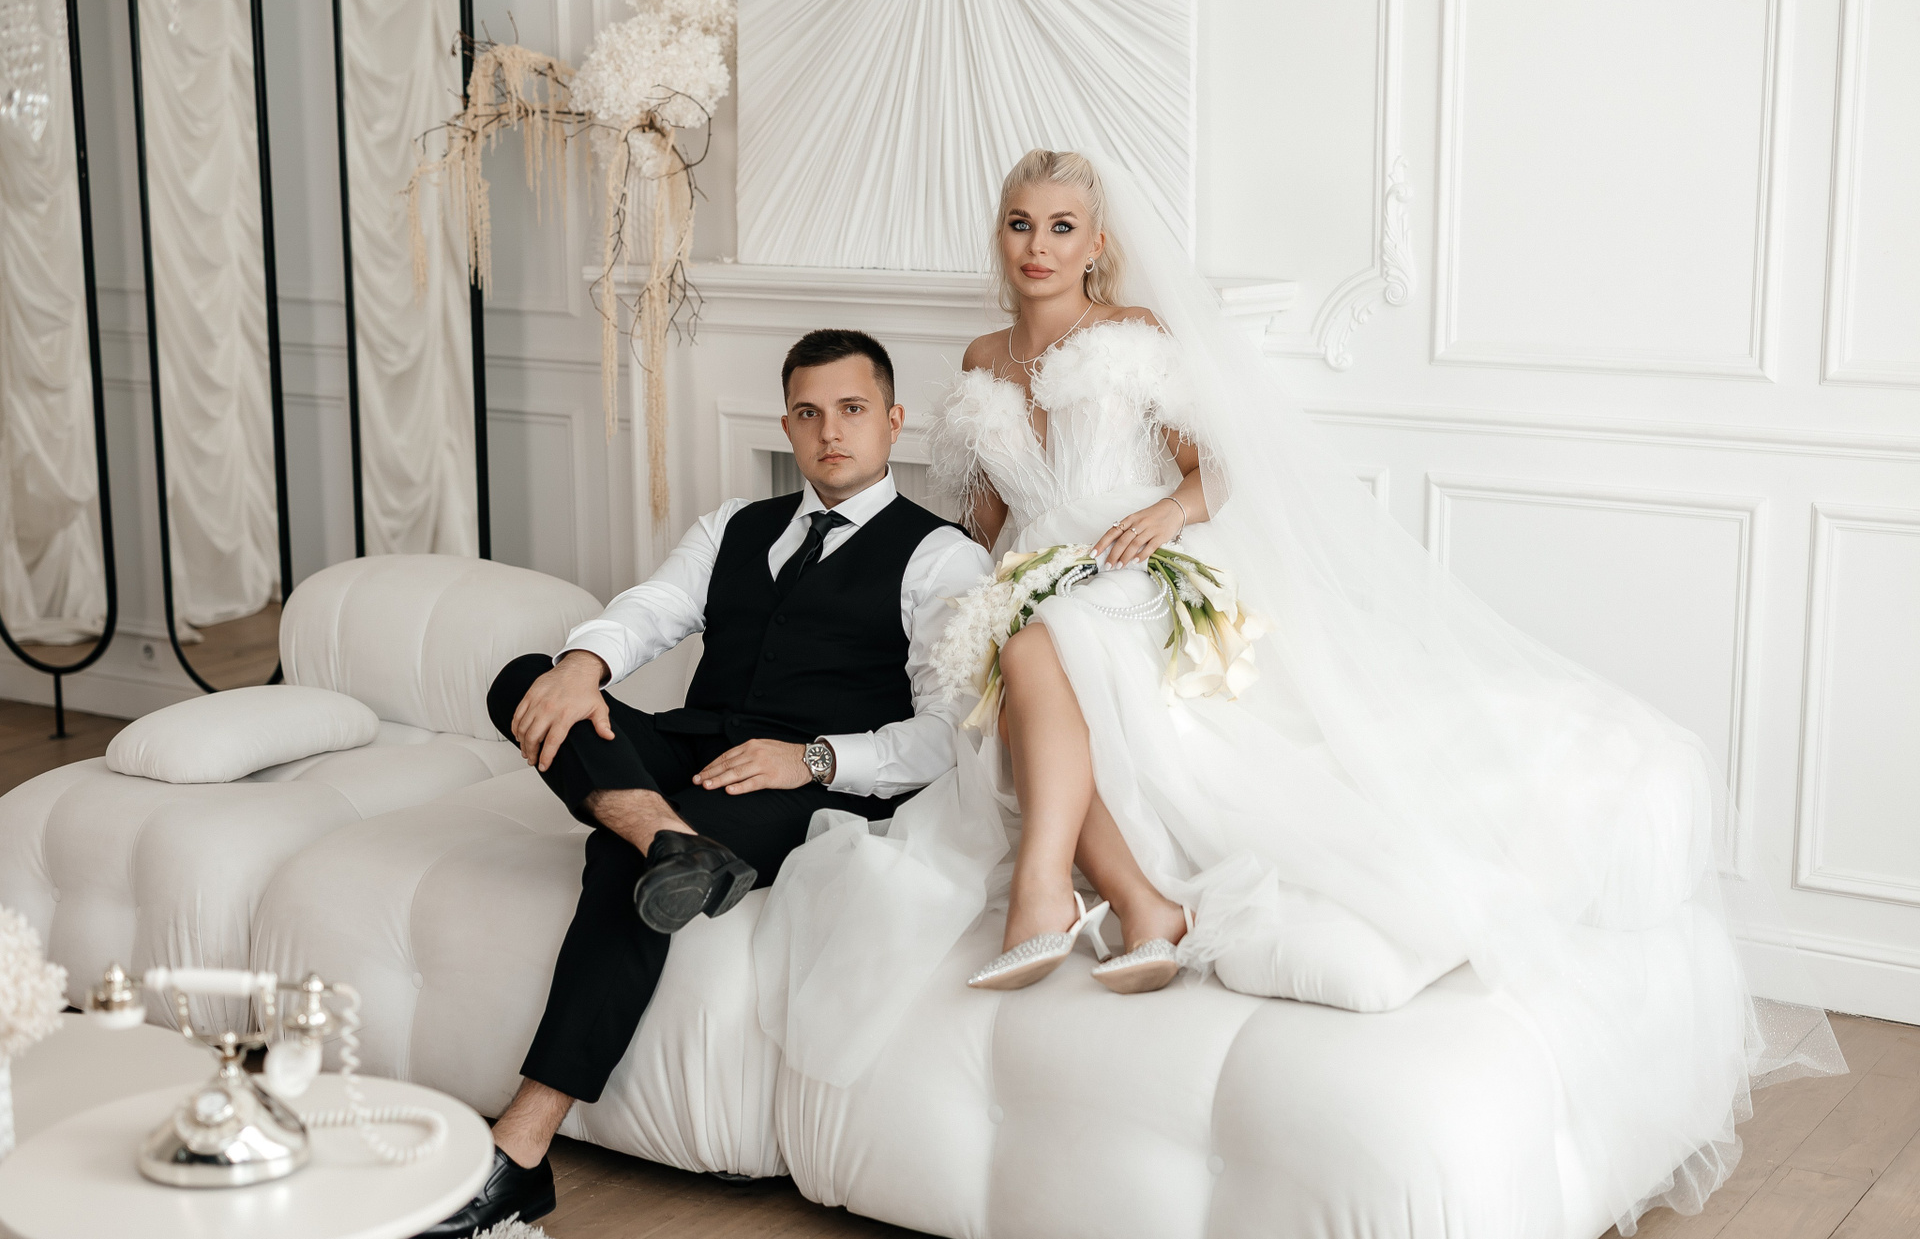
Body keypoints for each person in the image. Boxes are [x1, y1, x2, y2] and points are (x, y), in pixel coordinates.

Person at [752, 150, 1842, 1235]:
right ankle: (1139, 903)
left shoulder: (1132, 333)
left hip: (1137, 568)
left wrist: (1166, 515)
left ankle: (1051, 888)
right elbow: (985, 519)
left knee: (1045, 640)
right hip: (1042, 582)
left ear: (1096, 243)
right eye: (1021, 224)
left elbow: (1219, 468)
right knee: (1014, 644)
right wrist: (951, 595)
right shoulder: (981, 359)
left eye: (1062, 226)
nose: (1038, 246)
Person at [420, 328, 990, 1237]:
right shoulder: (734, 524)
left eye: (852, 410)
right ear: (786, 424)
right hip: (698, 745)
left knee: (621, 869)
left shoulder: (941, 557)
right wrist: (581, 667)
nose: (830, 431)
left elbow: (945, 733)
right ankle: (671, 840)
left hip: (808, 781)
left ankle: (518, 1150)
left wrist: (813, 758)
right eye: (808, 412)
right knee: (530, 678)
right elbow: (653, 609)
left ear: (893, 421)